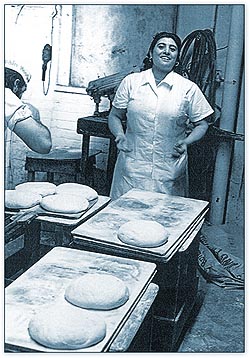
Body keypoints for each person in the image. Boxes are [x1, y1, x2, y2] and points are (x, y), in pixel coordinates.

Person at [108, 32, 214, 200]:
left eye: (172, 49)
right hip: (132, 166)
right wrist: (120, 134)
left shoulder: (188, 88)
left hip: (169, 169)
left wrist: (187, 142)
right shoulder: (131, 82)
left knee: (164, 219)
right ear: (151, 53)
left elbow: (202, 124)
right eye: (161, 46)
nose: (167, 51)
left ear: (177, 58)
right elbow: (114, 116)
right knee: (125, 217)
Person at [5, 59, 52, 188]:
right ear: (16, 84)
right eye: (22, 91)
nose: (20, 98)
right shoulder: (6, 96)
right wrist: (33, 115)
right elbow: (44, 144)